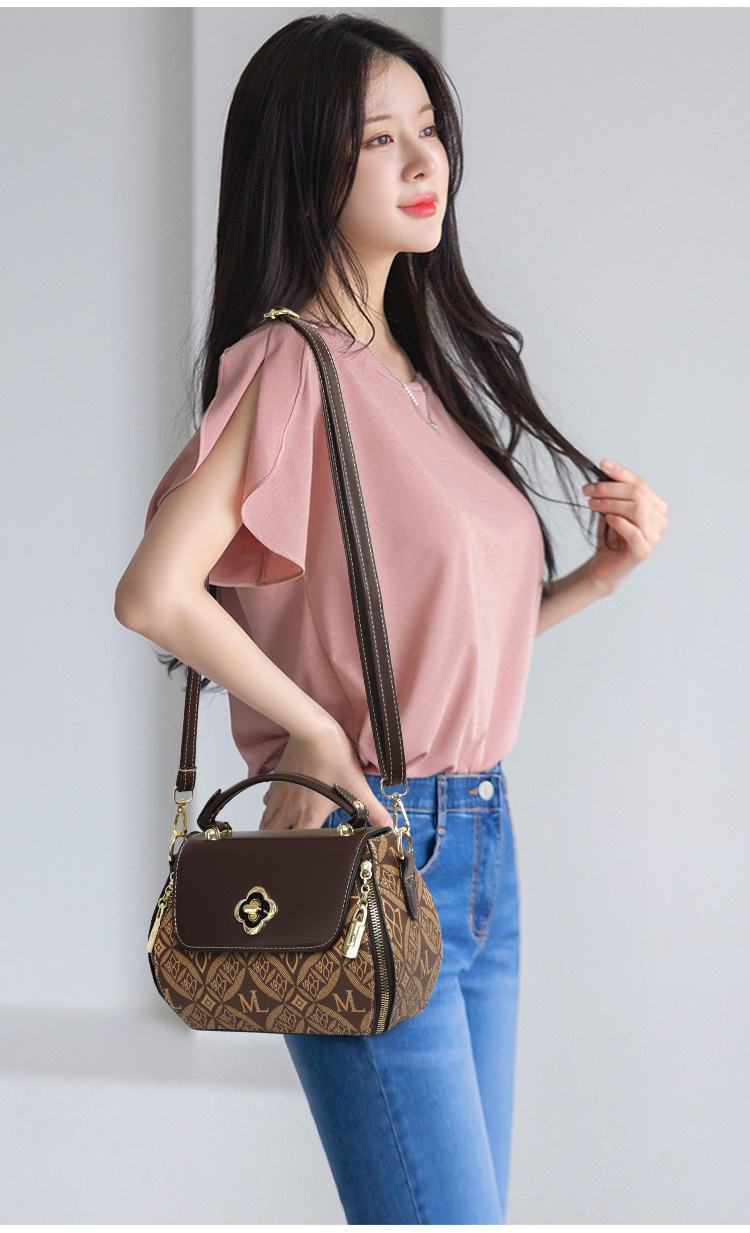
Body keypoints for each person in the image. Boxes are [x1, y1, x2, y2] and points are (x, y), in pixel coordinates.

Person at [113, 14, 668, 1224]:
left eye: (429, 129)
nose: (425, 163)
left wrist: (594, 582)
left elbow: (424, 651)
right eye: (379, 140)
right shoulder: (289, 365)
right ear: (304, 165)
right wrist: (316, 734)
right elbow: (153, 591)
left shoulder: (418, 369)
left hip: (480, 843)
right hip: (366, 842)